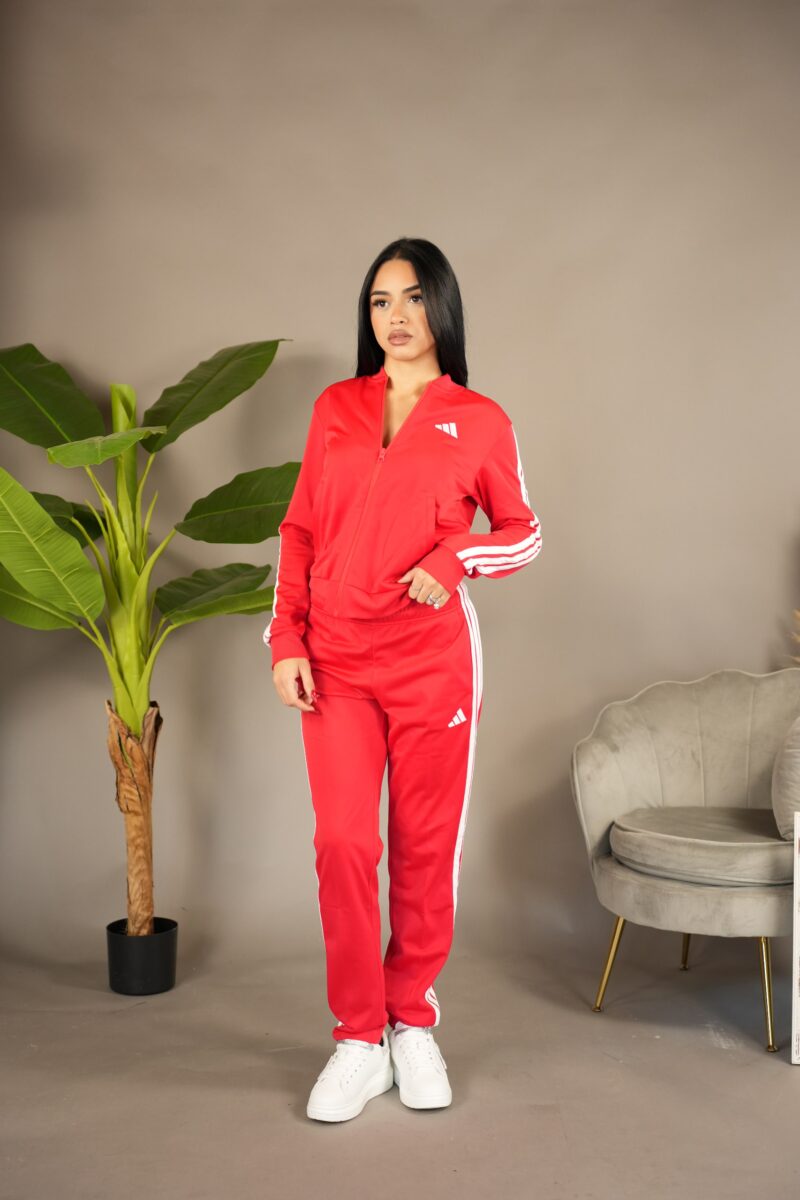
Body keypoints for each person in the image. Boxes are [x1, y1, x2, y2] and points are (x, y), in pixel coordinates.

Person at [264, 237, 542, 1122]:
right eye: (381, 300)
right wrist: (285, 638)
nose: (396, 315)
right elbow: (300, 529)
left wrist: (455, 559)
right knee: (343, 845)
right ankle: (359, 1039)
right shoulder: (336, 407)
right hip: (336, 663)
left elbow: (524, 532)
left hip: (431, 665)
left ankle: (411, 1021)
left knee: (424, 850)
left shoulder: (480, 419)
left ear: (442, 308)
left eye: (414, 297)